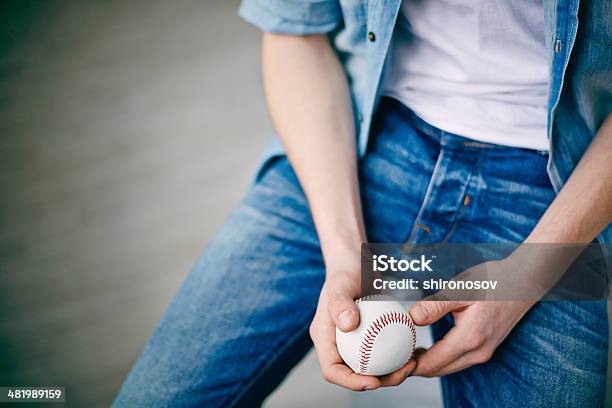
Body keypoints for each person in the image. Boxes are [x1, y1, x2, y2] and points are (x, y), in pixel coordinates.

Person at [114, 0, 612, 406]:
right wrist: (345, 253)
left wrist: (526, 276)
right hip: (360, 144)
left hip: (556, 188)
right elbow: (294, 32)